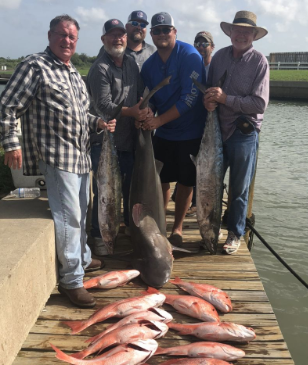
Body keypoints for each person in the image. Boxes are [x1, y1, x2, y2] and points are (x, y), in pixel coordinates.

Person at [0, 15, 116, 308]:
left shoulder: (74, 73)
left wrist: (99, 123)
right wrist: (11, 144)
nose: (67, 41)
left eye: (72, 37)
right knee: (69, 218)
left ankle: (84, 259)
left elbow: (80, 116)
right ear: (50, 35)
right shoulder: (34, 65)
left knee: (83, 212)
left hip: (80, 157)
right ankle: (71, 281)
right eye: (62, 35)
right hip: (56, 156)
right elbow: (7, 106)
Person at [203, 10, 269, 254]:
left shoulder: (260, 62)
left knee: (239, 188)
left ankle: (235, 232)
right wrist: (209, 101)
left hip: (243, 134)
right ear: (230, 32)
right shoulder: (219, 57)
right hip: (218, 131)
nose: (241, 35)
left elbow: (259, 104)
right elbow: (210, 90)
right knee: (212, 183)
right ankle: (211, 226)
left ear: (253, 35)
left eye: (247, 31)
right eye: (237, 30)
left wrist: (225, 98)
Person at [139, 12, 206, 247]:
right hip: (165, 133)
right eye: (156, 30)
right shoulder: (149, 65)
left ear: (175, 32)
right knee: (161, 180)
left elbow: (191, 97)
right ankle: (159, 223)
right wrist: (148, 112)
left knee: (186, 181)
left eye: (166, 29)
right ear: (151, 34)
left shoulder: (189, 55)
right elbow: (153, 98)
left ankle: (177, 228)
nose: (161, 34)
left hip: (190, 131)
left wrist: (157, 121)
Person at [87, 19, 150, 255]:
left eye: (121, 35)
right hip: (103, 139)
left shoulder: (131, 63)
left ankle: (124, 228)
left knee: (127, 189)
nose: (118, 39)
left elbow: (141, 91)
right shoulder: (99, 68)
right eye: (112, 36)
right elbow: (103, 104)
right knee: (104, 192)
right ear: (104, 40)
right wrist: (131, 111)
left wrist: (144, 109)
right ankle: (99, 236)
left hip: (129, 140)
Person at [174, 30, 216, 217]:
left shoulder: (214, 69)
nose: (200, 47)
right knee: (191, 164)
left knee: (206, 166)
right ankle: (185, 199)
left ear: (212, 47)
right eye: (197, 44)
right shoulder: (191, 66)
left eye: (205, 44)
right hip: (191, 124)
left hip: (208, 122)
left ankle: (199, 203)